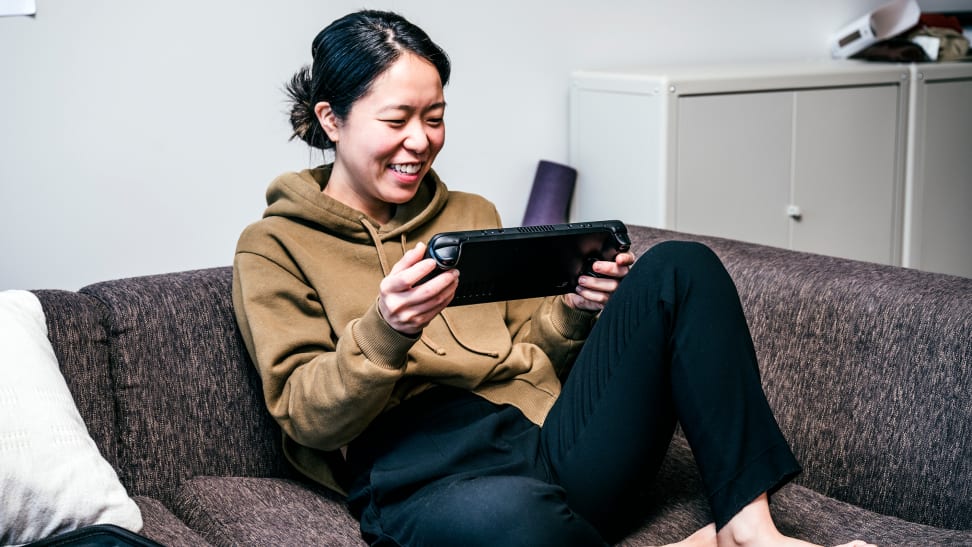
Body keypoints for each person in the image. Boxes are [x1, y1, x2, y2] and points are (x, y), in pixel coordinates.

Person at [232, 9, 875, 547]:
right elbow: (305, 417)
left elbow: (532, 352)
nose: (421, 141)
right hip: (421, 476)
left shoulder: (470, 216)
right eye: (397, 120)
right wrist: (386, 328)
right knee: (516, 522)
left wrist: (573, 308)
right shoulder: (273, 247)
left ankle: (747, 529)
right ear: (332, 119)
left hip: (547, 437)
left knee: (682, 267)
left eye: (435, 117)